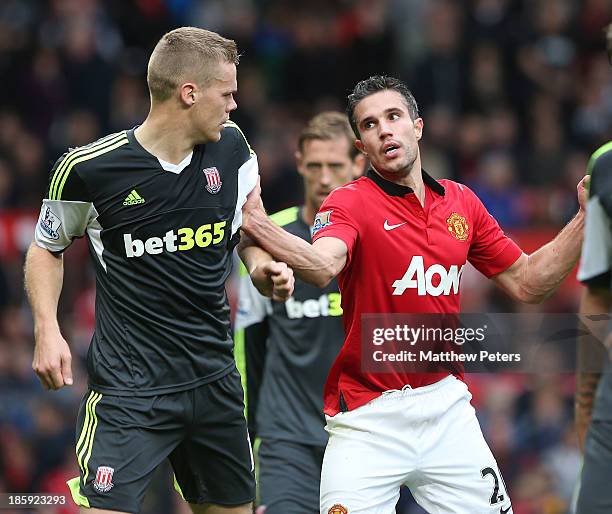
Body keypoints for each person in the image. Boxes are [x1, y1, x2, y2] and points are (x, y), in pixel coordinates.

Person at [240, 75, 587, 514]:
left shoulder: (462, 203)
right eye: (369, 125)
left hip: (447, 410)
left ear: (417, 126)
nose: (383, 129)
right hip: (368, 421)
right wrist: (255, 221)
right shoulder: (348, 203)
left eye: (393, 116)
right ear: (362, 148)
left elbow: (529, 281)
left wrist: (585, 217)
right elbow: (323, 264)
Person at [24, 27, 294, 514]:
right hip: (131, 391)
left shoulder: (233, 150)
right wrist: (47, 330)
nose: (235, 105)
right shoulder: (91, 168)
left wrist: (262, 268)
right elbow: (46, 248)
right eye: (227, 93)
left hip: (214, 383)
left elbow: (247, 233)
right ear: (189, 93)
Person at [235, 111, 365, 514]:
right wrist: (246, 440)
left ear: (358, 164)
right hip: (285, 440)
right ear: (299, 164)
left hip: (360, 440)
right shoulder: (268, 239)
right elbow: (248, 351)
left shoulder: (376, 238)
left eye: (335, 166)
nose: (324, 178)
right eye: (314, 166)